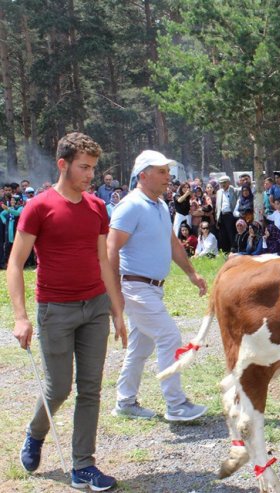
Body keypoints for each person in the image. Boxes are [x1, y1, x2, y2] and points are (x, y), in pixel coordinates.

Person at [9, 132, 126, 491]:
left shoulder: (96, 207)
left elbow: (104, 263)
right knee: (59, 388)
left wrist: (117, 311)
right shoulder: (39, 207)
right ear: (63, 164)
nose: (91, 174)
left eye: (93, 167)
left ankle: (83, 465)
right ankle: (35, 433)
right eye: (84, 167)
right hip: (54, 310)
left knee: (90, 389)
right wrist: (20, 316)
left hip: (94, 309)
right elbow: (15, 263)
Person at [108, 149, 208, 422]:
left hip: (150, 288)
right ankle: (176, 404)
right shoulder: (130, 206)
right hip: (135, 287)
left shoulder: (161, 205)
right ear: (144, 175)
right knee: (169, 337)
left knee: (140, 348)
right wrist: (114, 293)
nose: (168, 177)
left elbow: (172, 243)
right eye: (162, 172)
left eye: (168, 171)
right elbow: (111, 248)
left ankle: (125, 402)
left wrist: (192, 273)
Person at [215, 175, 237, 252]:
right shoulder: (218, 192)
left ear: (228, 182)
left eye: (224, 183)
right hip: (221, 215)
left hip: (230, 214)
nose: (222, 185)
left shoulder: (234, 190)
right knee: (223, 234)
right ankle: (225, 250)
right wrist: (217, 218)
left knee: (231, 232)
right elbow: (217, 206)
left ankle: (233, 249)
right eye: (221, 183)